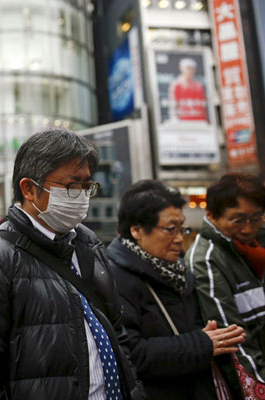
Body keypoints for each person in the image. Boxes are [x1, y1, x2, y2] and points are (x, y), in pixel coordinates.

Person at [0, 129, 144, 400]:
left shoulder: (88, 245)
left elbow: (117, 332)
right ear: (30, 189)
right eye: (72, 185)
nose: (82, 196)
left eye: (86, 186)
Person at [106, 180, 245, 399]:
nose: (180, 238)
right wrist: (202, 343)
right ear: (136, 230)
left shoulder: (178, 271)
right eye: (170, 229)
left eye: (182, 228)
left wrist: (208, 334)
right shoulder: (115, 278)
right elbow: (131, 354)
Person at [186, 172, 265, 386]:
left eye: (256, 218)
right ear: (211, 215)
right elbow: (234, 344)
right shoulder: (206, 261)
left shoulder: (254, 247)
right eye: (237, 220)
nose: (248, 228)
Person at [168, 57, 208, 122]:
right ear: (181, 68)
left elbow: (203, 105)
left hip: (199, 121)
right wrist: (174, 119)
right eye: (188, 68)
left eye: (192, 68)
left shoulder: (199, 86)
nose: (190, 71)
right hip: (183, 122)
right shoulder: (176, 84)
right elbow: (173, 104)